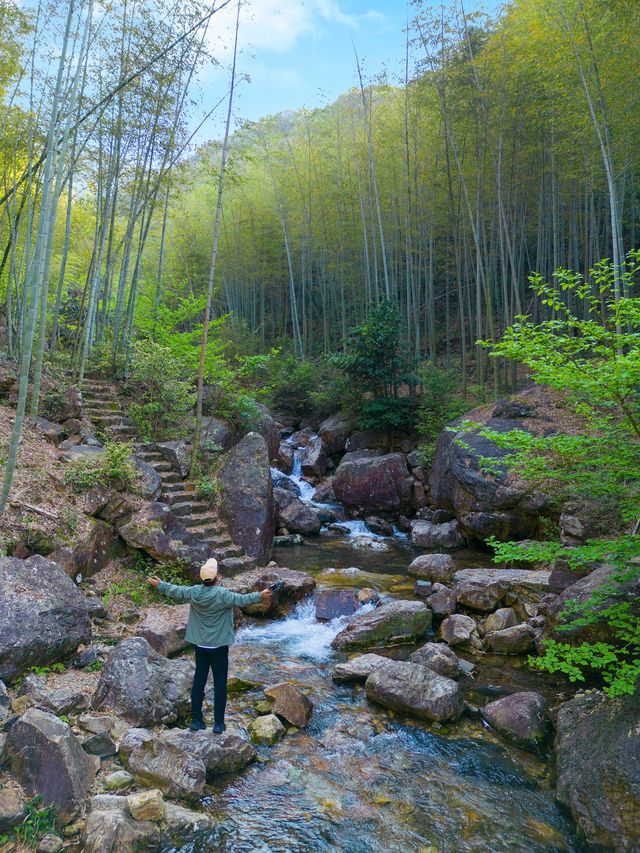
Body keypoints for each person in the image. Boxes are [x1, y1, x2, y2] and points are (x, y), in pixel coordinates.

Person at [147, 558, 272, 733]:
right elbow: (243, 600)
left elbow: (177, 591)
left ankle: (196, 721)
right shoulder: (223, 594)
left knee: (199, 681)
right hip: (219, 646)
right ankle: (219, 724)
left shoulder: (195, 592)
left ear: (202, 579)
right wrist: (261, 595)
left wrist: (160, 584)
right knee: (220, 685)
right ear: (217, 578)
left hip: (200, 645)